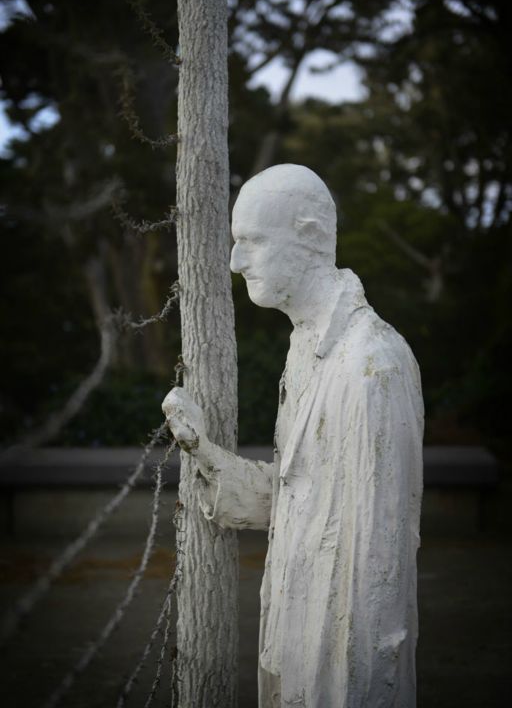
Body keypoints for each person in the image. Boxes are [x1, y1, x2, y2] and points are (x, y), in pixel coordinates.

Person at [162, 164, 424, 708]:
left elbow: (381, 580)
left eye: (252, 241)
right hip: (291, 635)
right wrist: (204, 453)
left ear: (308, 236)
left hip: (340, 672)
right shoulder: (306, 346)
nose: (235, 262)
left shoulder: (374, 365)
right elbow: (301, 500)